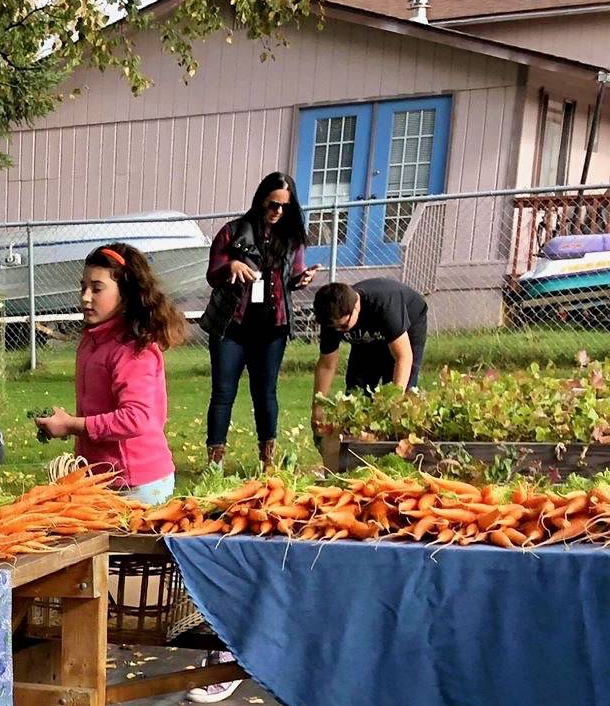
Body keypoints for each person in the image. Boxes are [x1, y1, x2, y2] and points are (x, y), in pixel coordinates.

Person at [34, 243, 187, 506]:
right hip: (103, 479)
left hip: (137, 485)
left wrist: (72, 425)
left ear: (125, 293)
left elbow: (136, 419)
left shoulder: (132, 349)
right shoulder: (92, 340)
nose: (85, 297)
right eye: (82, 287)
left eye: (97, 288)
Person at [203, 172, 321, 470]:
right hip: (232, 326)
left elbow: (292, 277)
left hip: (272, 328)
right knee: (222, 392)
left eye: (284, 206)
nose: (277, 212)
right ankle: (215, 461)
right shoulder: (232, 232)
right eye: (272, 205)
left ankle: (267, 459)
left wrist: (302, 278)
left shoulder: (291, 237)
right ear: (260, 201)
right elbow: (212, 274)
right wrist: (231, 264)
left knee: (265, 392)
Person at [312, 278, 429, 413]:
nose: (339, 331)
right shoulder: (332, 316)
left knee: (400, 393)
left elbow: (404, 358)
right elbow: (327, 365)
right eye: (335, 327)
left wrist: (394, 404)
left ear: (356, 307)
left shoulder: (383, 305)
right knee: (356, 394)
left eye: (344, 326)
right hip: (368, 335)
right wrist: (317, 409)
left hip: (409, 325)